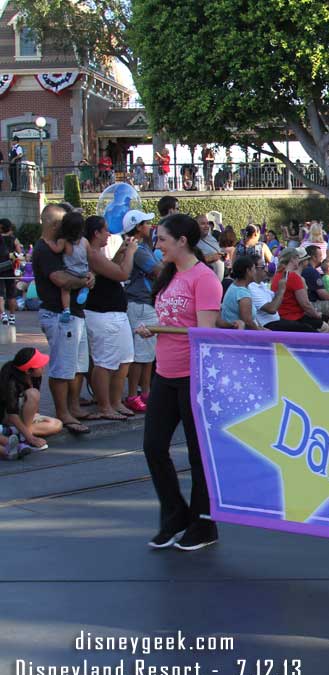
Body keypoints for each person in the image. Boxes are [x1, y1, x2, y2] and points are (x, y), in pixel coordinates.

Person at [136, 213, 223, 551]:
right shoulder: (169, 276)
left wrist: (159, 328)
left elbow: (205, 334)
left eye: (162, 240)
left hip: (193, 376)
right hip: (165, 373)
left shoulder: (204, 278)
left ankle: (204, 525)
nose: (157, 246)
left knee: (198, 453)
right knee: (153, 446)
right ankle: (174, 517)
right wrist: (155, 328)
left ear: (182, 241)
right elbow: (171, 319)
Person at [33, 205, 94, 435]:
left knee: (77, 364)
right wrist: (84, 280)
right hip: (59, 315)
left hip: (73, 313)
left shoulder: (64, 244)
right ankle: (63, 412)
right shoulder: (45, 249)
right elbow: (61, 280)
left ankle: (74, 406)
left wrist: (89, 276)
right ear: (55, 224)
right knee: (62, 366)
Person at [83, 215, 137, 420]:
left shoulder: (99, 254)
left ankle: (115, 402)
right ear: (96, 233)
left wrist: (120, 252)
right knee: (105, 361)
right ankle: (104, 405)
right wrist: (130, 253)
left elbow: (110, 270)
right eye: (105, 230)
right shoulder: (92, 254)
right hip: (102, 314)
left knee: (125, 359)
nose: (108, 233)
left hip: (116, 312)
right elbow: (123, 274)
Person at [122, 210, 160, 413]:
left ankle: (145, 392)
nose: (150, 226)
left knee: (147, 353)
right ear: (138, 227)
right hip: (141, 303)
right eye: (146, 223)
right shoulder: (138, 248)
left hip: (144, 303)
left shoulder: (141, 246)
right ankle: (133, 395)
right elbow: (158, 271)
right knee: (140, 354)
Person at [1, 348, 62, 457]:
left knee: (57, 424)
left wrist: (37, 416)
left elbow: (34, 406)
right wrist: (31, 437)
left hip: (22, 419)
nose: (43, 367)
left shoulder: (35, 377)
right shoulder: (12, 382)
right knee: (33, 393)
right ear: (28, 371)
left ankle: (11, 432)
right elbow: (12, 415)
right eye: (39, 366)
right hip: (8, 417)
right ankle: (25, 439)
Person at [270, 248, 329, 332]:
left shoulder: (276, 276)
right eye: (298, 258)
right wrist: (317, 315)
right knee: (327, 326)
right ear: (293, 259)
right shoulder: (294, 277)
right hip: (293, 317)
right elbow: (305, 305)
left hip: (280, 316)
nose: (299, 260)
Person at [46, 212, 91, 323]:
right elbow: (90, 255)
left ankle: (66, 309)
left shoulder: (64, 241)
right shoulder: (85, 241)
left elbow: (56, 250)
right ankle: (84, 289)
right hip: (84, 271)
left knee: (65, 289)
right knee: (85, 283)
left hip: (71, 272)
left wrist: (48, 242)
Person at [302, 245, 329, 333]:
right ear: (314, 257)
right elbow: (322, 294)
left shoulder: (307, 269)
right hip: (311, 304)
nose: (322, 258)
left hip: (308, 302)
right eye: (320, 255)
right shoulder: (311, 271)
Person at [219, 256, 260, 330]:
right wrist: (264, 332)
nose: (256, 272)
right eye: (254, 269)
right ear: (248, 271)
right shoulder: (242, 294)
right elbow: (248, 322)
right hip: (240, 337)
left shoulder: (234, 286)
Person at [0, 218, 23, 325]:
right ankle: (12, 316)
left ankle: (3, 315)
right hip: (10, 269)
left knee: (0, 294)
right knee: (11, 294)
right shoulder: (14, 239)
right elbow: (20, 255)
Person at [196, 213, 226, 281]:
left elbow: (218, 252)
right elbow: (191, 262)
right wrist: (209, 258)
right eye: (203, 224)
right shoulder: (193, 242)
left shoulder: (212, 238)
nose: (206, 226)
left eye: (207, 223)